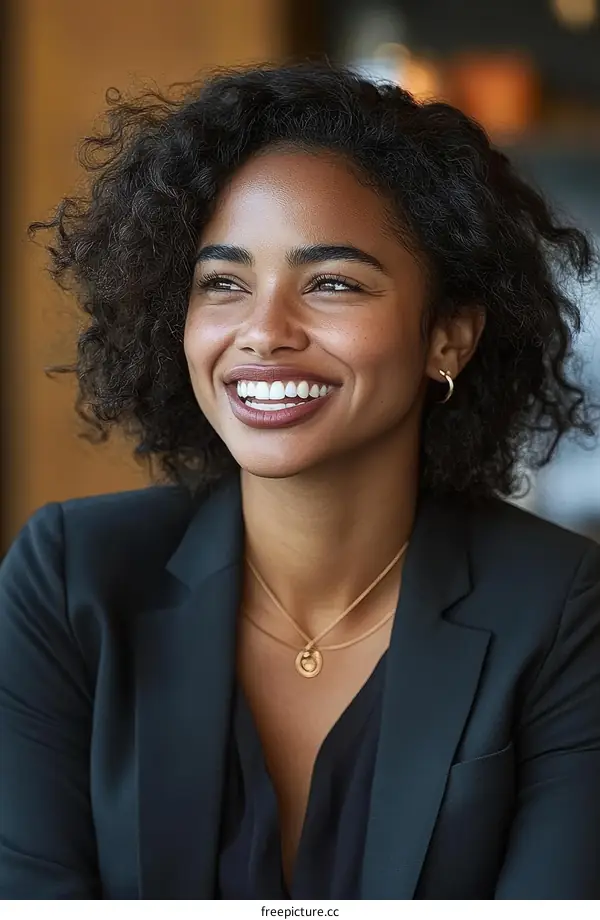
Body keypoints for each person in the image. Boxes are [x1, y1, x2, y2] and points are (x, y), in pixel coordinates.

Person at [1, 61, 600, 901]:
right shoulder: (69, 580)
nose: (264, 332)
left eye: (332, 283)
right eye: (224, 284)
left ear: (448, 338)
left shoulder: (560, 606)